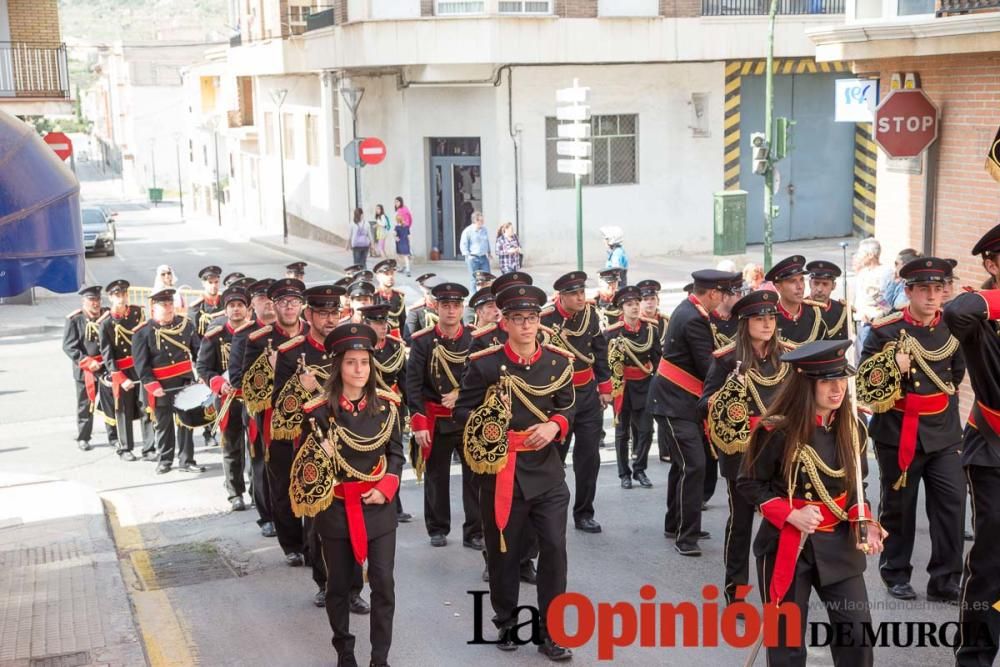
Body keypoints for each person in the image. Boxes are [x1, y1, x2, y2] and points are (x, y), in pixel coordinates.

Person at [738, 339, 886, 667]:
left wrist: (866, 523)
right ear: (807, 384)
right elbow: (749, 484)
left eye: (841, 380)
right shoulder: (775, 430)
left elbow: (855, 488)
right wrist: (790, 513)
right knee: (787, 647)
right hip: (788, 545)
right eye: (827, 382)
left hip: (839, 543)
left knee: (857, 637)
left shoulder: (854, 427)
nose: (837, 389)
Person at [455, 283, 576, 661]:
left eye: (532, 318)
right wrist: (491, 422)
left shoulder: (557, 361)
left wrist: (555, 425)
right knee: (503, 552)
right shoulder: (485, 364)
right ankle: (506, 620)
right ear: (503, 322)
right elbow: (462, 412)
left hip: (547, 472)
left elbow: (569, 403)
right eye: (518, 319)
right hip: (501, 470)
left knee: (554, 548)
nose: (526, 325)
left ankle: (551, 633)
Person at [290, 323, 403, 667]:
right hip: (336, 507)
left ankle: (379, 658)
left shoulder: (387, 405)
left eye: (364, 362)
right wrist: (318, 451)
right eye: (351, 362)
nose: (359, 369)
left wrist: (386, 487)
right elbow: (303, 466)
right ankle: (345, 651)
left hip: (379, 507)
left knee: (383, 583)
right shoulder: (317, 411)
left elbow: (397, 454)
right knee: (338, 585)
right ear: (338, 366)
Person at [858, 257, 965, 604]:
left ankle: (945, 580)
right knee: (899, 507)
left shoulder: (952, 326)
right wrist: (892, 365)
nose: (933, 296)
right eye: (925, 290)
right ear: (908, 291)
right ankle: (896, 572)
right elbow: (866, 385)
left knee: (951, 505)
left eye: (938, 288)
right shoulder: (885, 330)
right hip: (899, 430)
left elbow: (956, 375)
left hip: (944, 431)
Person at [699, 289, 787, 605]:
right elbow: (704, 403)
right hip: (742, 451)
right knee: (741, 522)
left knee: (781, 519)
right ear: (745, 323)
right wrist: (729, 397)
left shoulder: (788, 355)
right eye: (759, 319)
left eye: (771, 318)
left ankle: (780, 588)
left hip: (780, 450)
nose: (766, 325)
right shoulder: (727, 360)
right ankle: (736, 593)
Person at [649, 269, 741, 556]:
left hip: (679, 401)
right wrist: (740, 365)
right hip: (673, 403)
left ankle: (676, 523)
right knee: (694, 465)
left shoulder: (691, 310)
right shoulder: (694, 319)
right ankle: (685, 537)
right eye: (723, 294)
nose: (724, 300)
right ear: (713, 293)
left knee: (683, 465)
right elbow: (708, 366)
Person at [944, 222, 1000, 666]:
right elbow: (956, 311)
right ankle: (976, 656)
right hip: (993, 450)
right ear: (992, 263)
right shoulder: (979, 315)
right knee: (991, 558)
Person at [406, 282, 482, 549]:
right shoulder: (423, 341)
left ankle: (474, 531)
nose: (451, 311)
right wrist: (418, 422)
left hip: (466, 417)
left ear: (463, 308)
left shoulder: (474, 338)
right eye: (445, 305)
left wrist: (461, 394)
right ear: (436, 307)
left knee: (475, 477)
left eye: (456, 305)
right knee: (436, 477)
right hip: (435, 418)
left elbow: (482, 378)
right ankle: (437, 528)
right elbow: (412, 384)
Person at [540, 271, 612, 534]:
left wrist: (605, 387)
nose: (581, 297)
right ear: (562, 296)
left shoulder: (590, 315)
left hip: (587, 394)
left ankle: (584, 512)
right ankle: (550, 510)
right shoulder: (545, 319)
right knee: (554, 458)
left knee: (589, 457)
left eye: (583, 292)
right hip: (558, 397)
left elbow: (600, 350)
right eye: (575, 294)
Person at [133, 288, 203, 475]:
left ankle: (187, 460)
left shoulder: (186, 325)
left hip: (185, 383)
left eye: (171, 303)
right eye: (164, 304)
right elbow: (141, 364)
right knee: (164, 426)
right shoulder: (143, 332)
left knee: (186, 424)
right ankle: (165, 460)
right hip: (161, 385)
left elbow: (199, 352)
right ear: (153, 307)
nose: (169, 307)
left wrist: (203, 374)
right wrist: (151, 384)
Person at [227, 278, 277, 538]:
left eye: (272, 299)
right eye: (261, 299)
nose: (268, 303)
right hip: (260, 410)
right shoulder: (244, 335)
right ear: (252, 305)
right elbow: (236, 378)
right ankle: (267, 516)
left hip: (289, 411)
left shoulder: (290, 330)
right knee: (262, 465)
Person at [197, 285, 252, 511]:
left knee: (256, 449)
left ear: (248, 309)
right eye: (232, 306)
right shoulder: (215, 336)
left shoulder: (256, 334)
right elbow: (202, 367)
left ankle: (258, 493)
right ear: (225, 310)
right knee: (231, 446)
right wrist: (219, 383)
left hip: (253, 399)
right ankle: (235, 493)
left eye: (240, 305)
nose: (236, 310)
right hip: (227, 399)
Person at [361, 304, 413, 525]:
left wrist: (412, 410)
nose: (383, 328)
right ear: (367, 324)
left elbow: (404, 380)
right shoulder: (361, 347)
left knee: (395, 454)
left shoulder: (394, 347)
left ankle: (395, 501)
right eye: (377, 323)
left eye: (384, 323)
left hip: (393, 407)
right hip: (368, 407)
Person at [605, 285, 661, 490]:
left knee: (646, 430)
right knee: (622, 433)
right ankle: (624, 474)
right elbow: (605, 364)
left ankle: (639, 469)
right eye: (630, 304)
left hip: (645, 384)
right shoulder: (612, 333)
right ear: (621, 308)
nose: (635, 307)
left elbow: (657, 359)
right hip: (622, 386)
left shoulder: (650, 328)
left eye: (637, 303)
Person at [63, 285, 118, 452]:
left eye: (98, 300)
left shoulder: (107, 315)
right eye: (92, 300)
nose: (96, 303)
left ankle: (114, 437)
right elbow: (69, 346)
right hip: (85, 369)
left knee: (110, 404)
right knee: (85, 405)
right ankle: (84, 437)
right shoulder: (75, 320)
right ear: (84, 301)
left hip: (105, 367)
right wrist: (86, 361)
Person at [99, 280, 148, 461]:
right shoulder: (105, 323)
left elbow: (146, 341)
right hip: (122, 371)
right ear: (111, 297)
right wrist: (119, 376)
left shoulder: (137, 313)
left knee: (146, 408)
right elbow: (107, 356)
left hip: (139, 367)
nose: (122, 298)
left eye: (124, 294)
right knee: (123, 410)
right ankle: (125, 447)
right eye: (117, 295)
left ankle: (149, 447)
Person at [188, 265, 225, 447]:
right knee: (209, 396)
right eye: (210, 283)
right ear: (203, 283)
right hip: (208, 355)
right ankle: (209, 432)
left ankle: (225, 427)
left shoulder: (226, 302)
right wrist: (198, 362)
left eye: (216, 282)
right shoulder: (197, 308)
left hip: (226, 353)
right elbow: (194, 337)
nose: (214, 286)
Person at [637, 279, 671, 463]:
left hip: (665, 373)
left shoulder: (667, 321)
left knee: (665, 413)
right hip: (644, 373)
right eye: (646, 299)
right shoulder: (639, 324)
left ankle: (665, 450)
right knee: (643, 416)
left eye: (652, 298)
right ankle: (638, 450)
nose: (650, 302)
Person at [766, 255, 828, 347]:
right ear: (778, 287)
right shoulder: (770, 318)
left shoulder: (815, 314)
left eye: (802, 280)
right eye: (792, 281)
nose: (800, 286)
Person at [852, 237, 886, 353]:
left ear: (871, 255)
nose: (858, 256)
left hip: (872, 323)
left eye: (861, 253)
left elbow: (886, 304)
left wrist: (875, 315)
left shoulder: (884, 273)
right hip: (860, 323)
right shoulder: (863, 272)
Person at [806, 260, 850, 340]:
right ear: (810, 284)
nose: (819, 289)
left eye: (825, 284)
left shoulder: (842, 311)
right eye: (816, 283)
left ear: (833, 286)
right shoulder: (801, 308)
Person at [880, 248, 921, 315]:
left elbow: (896, 311)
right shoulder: (900, 282)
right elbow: (886, 304)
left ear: (905, 266)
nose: (894, 266)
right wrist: (893, 283)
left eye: (896, 263)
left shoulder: (914, 287)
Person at [372, 259, 406, 338]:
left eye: (392, 273)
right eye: (386, 274)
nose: (390, 277)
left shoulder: (399, 297)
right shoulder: (373, 297)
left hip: (396, 340)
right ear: (378, 277)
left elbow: (402, 323)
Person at [459, 211, 492, 293]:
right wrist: (468, 256)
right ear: (475, 221)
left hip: (483, 257)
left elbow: (486, 242)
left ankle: (486, 295)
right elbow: (463, 245)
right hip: (473, 258)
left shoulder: (484, 229)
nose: (483, 222)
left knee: (487, 277)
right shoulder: (468, 231)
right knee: (474, 279)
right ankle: (473, 298)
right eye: (481, 221)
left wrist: (489, 252)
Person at [404, 273, 437, 343]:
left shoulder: (447, 306)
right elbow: (407, 338)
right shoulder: (416, 310)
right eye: (428, 287)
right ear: (421, 287)